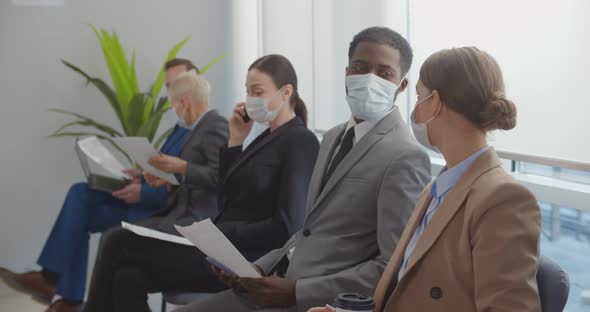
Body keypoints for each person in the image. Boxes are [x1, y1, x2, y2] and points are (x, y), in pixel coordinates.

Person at [175, 26, 431, 312]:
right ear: (347, 73)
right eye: (359, 68)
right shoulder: (333, 136)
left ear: (402, 85)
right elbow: (309, 231)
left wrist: (297, 292)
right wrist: (257, 269)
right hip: (276, 282)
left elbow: (393, 266)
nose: (369, 79)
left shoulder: (405, 155)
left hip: (317, 302)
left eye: (384, 73)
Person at [309, 47, 542, 312]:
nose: (415, 110)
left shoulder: (503, 199)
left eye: (419, 96)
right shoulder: (437, 188)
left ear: (434, 102)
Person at [82, 54, 320, 312]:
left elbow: (288, 225)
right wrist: (235, 141)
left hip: (244, 259)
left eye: (257, 91)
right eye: (247, 91)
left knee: (117, 240)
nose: (249, 98)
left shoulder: (300, 141)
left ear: (285, 92)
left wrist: (223, 234)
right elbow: (228, 196)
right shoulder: (264, 138)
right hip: (218, 247)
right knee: (126, 277)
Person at [0, 58, 199, 312]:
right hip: (146, 198)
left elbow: (190, 188)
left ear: (196, 82)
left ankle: (59, 289)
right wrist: (141, 176)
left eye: (178, 84)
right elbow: (167, 171)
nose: (173, 94)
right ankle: (60, 290)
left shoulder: (203, 128)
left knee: (80, 213)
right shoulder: (180, 126)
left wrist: (145, 192)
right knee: (80, 193)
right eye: (169, 86)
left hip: (156, 212)